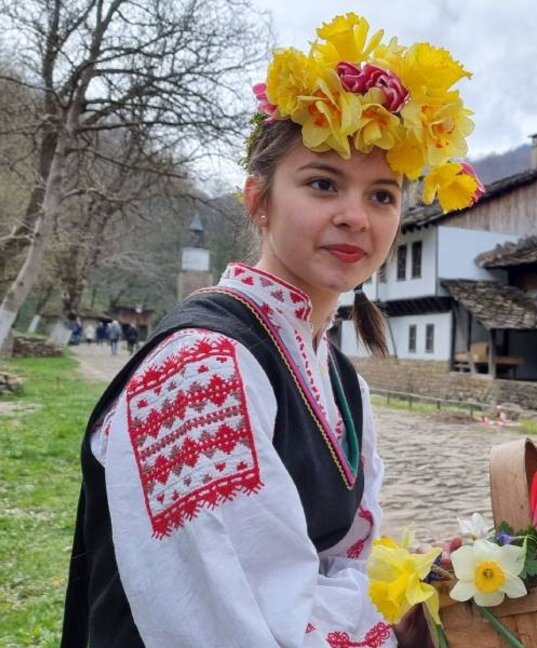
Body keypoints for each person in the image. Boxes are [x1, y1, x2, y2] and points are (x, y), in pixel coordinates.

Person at [60, 12, 484, 648]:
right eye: (322, 183)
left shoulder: (340, 381)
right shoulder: (201, 369)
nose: (354, 217)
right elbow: (231, 628)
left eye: (382, 195)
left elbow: (335, 565)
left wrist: (413, 591)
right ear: (259, 199)